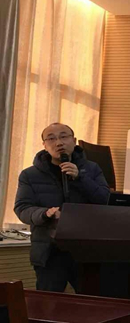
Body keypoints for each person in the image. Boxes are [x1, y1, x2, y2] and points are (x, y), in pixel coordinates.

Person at [14, 123, 110, 292]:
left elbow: (105, 200)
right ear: (44, 145)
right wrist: (44, 213)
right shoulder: (30, 175)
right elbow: (22, 208)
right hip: (49, 250)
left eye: (64, 137)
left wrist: (81, 178)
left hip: (86, 250)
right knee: (48, 303)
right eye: (51, 138)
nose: (58, 142)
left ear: (74, 140)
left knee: (91, 302)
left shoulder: (92, 169)